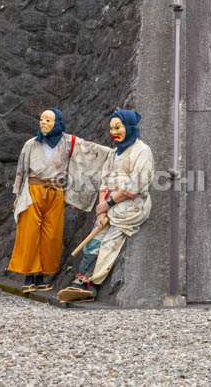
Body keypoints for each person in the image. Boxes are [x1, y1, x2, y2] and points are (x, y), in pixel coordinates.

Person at [8, 109, 112, 293]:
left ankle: (41, 277)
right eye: (41, 119)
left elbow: (90, 150)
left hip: (55, 192)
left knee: (51, 235)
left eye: (48, 120)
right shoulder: (31, 145)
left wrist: (113, 154)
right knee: (30, 233)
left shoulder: (68, 142)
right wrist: (18, 194)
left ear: (57, 122)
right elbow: (21, 171)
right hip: (33, 191)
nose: (43, 123)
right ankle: (29, 277)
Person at [58, 110, 155, 303]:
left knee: (110, 241)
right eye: (112, 128)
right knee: (95, 237)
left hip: (131, 206)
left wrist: (108, 204)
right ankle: (82, 280)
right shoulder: (113, 154)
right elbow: (104, 182)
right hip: (110, 205)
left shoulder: (142, 151)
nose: (114, 132)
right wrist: (102, 209)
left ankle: (92, 285)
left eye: (118, 127)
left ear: (129, 127)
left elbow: (135, 186)